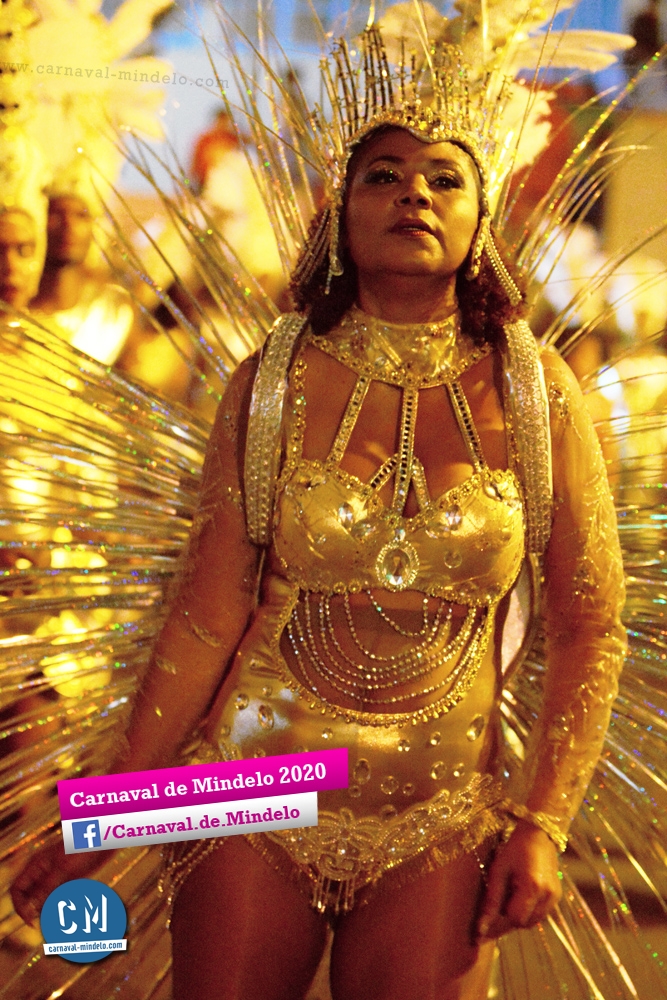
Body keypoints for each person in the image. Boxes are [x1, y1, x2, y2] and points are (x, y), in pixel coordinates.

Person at [10, 25, 627, 1000]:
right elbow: (206, 616)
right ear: (339, 210)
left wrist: (543, 822)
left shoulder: (536, 392)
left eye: (444, 178)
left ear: (482, 217)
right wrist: (107, 812)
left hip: (444, 809)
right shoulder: (272, 380)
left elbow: (591, 622)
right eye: (383, 176)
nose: (414, 194)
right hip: (246, 790)